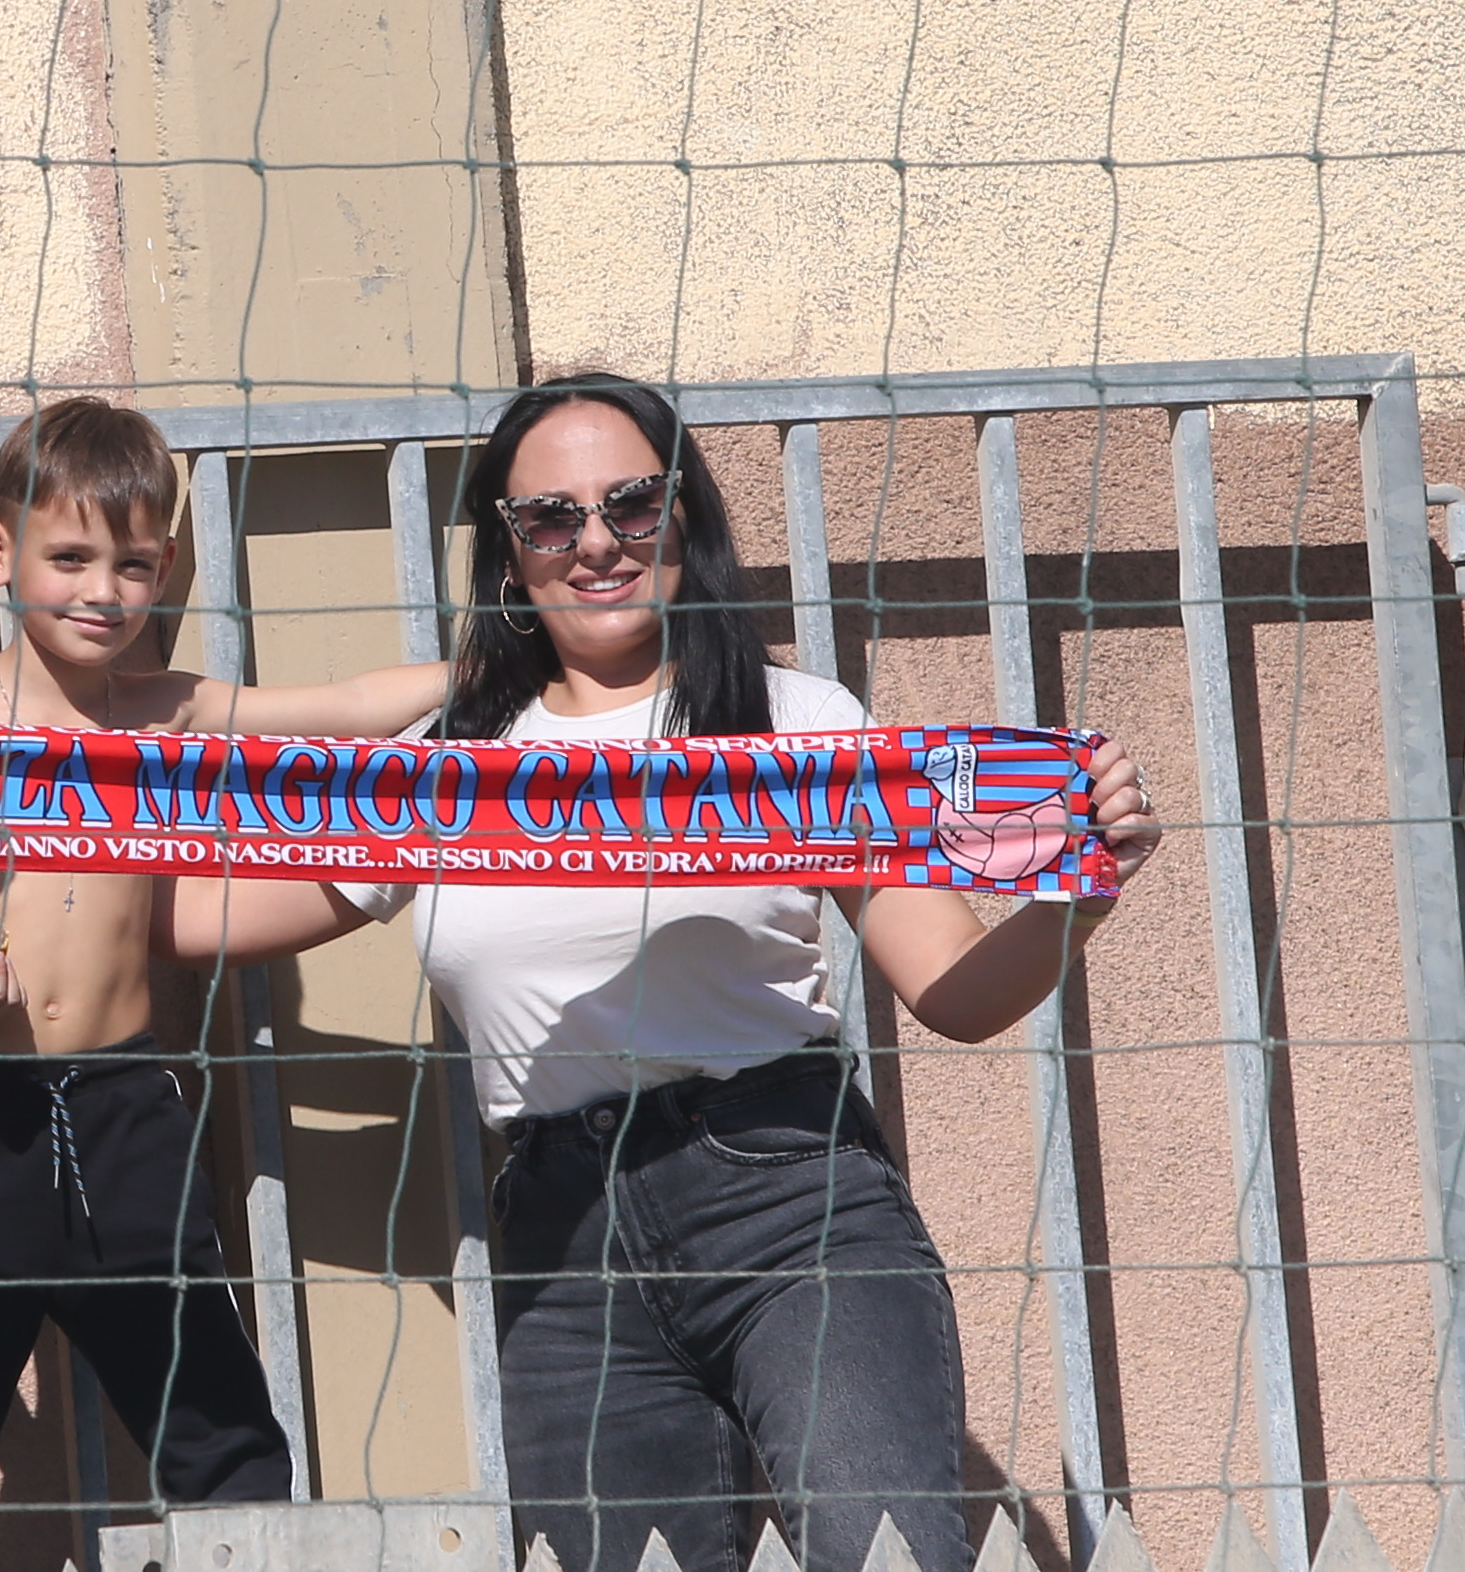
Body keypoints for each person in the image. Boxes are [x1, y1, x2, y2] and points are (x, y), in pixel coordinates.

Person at [165, 373, 1162, 1572]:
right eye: (551, 519)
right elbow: (189, 918)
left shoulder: (797, 726)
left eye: (634, 504)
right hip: (559, 1237)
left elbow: (951, 991)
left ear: (687, 517)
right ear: (509, 554)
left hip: (792, 1202)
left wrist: (1081, 893)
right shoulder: (446, 771)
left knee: (880, 1554)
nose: (597, 543)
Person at [0, 395, 447, 1572]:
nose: (102, 591)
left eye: (135, 565)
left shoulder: (167, 716)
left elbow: (342, 709)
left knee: (221, 1438)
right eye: (70, 557)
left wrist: (489, 666)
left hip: (124, 1111)